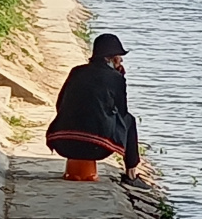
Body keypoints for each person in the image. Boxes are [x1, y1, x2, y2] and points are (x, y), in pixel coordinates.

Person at [47, 33, 142, 183]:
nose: (121, 60)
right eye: (118, 56)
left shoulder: (76, 71)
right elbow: (122, 112)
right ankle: (131, 174)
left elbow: (60, 104)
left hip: (61, 142)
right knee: (130, 120)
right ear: (110, 58)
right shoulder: (115, 78)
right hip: (96, 147)